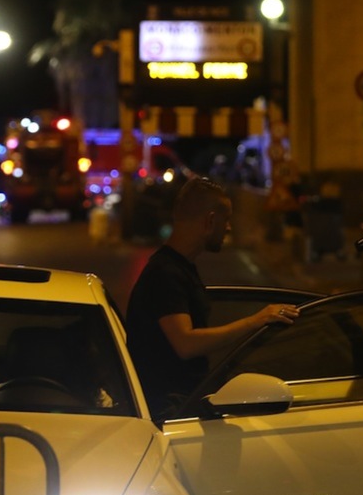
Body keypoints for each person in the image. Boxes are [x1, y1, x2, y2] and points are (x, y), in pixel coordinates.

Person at [125, 177, 300, 422]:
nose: (228, 228)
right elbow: (186, 343)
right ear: (209, 221)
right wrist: (257, 321)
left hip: (179, 408)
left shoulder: (179, 268)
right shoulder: (166, 274)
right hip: (168, 414)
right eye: (226, 219)